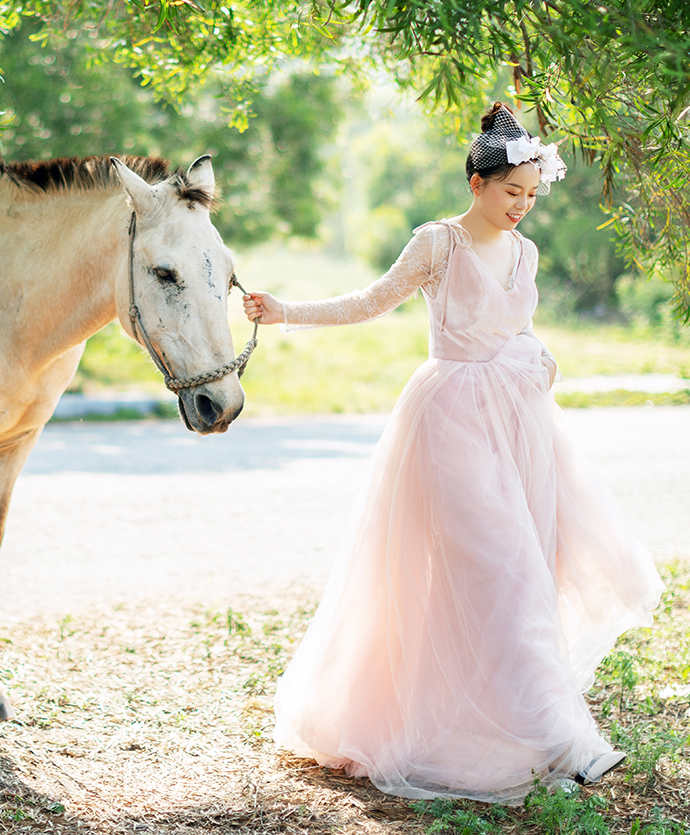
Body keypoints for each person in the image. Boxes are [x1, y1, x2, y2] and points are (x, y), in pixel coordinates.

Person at [242, 101, 665, 804]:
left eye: (531, 196)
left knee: (532, 566)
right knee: (505, 564)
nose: (521, 207)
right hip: (450, 419)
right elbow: (371, 301)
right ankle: (568, 742)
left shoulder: (525, 251)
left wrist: (539, 357)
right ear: (476, 182)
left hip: (520, 421)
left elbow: (515, 327)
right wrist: (288, 311)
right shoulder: (438, 243)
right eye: (510, 192)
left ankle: (513, 725)